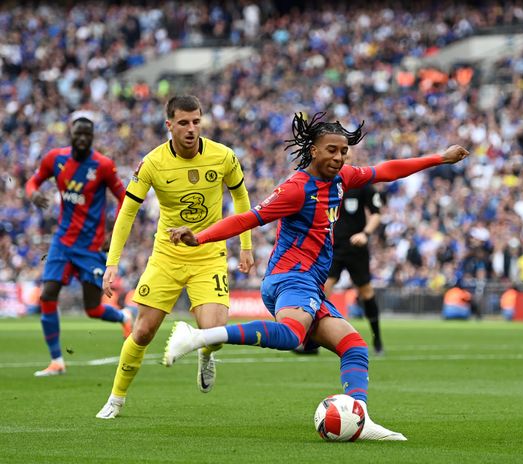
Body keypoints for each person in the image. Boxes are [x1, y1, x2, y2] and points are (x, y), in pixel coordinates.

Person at [162, 112, 469, 440]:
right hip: (291, 277)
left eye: (343, 151)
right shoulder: (296, 189)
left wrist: (439, 158)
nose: (339, 157)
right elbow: (248, 218)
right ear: (313, 150)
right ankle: (197, 337)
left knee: (354, 346)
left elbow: (386, 170)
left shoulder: (342, 179)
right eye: (331, 150)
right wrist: (200, 237)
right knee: (291, 335)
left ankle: (360, 417)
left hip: (309, 283)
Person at [95, 96, 254, 419]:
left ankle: (206, 353)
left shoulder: (223, 156)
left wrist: (246, 245)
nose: (191, 129)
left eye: (196, 121)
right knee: (143, 332)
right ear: (169, 125)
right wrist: (112, 262)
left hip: (209, 255)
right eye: (183, 123)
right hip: (167, 256)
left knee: (216, 333)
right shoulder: (153, 163)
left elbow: (241, 195)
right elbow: (127, 212)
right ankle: (116, 399)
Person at [25, 115, 132, 377]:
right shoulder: (55, 159)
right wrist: (33, 194)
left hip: (91, 246)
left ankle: (123, 317)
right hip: (62, 242)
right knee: (47, 294)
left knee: (92, 309)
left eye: (87, 134)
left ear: (92, 138)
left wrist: (114, 232)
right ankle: (57, 361)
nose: (82, 138)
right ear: (71, 134)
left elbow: (125, 198)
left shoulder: (103, 165)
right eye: (78, 134)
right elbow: (33, 182)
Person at [324, 180, 385, 354]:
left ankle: (377, 339)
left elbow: (376, 214)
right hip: (332, 247)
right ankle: (310, 340)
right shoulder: (326, 183)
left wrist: (365, 233)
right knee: (323, 291)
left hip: (356, 247)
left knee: (366, 291)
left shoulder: (363, 185)